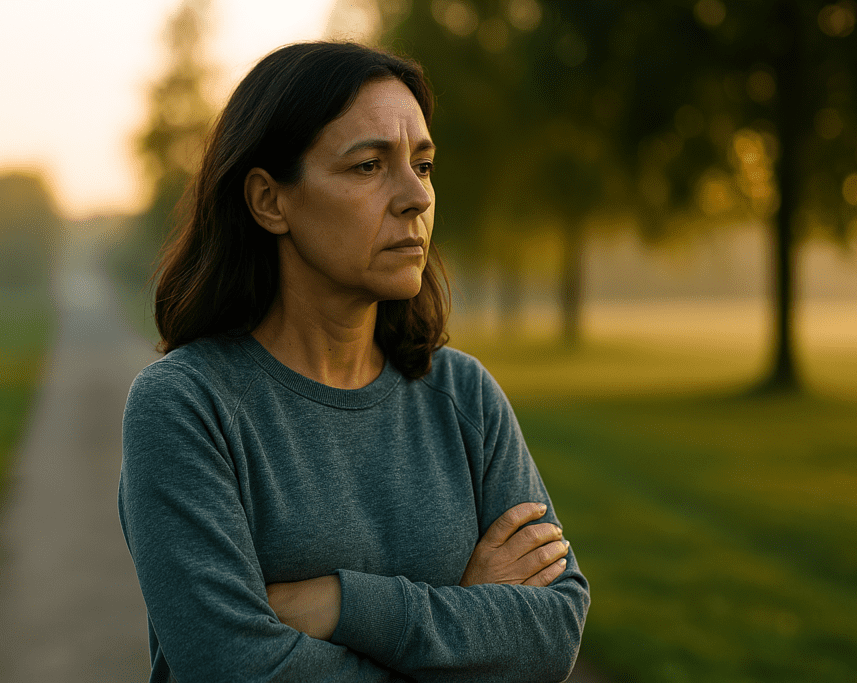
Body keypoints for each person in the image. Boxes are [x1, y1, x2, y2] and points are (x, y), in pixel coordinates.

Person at [119, 41, 589, 682]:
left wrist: (341, 604)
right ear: (270, 202)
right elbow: (233, 667)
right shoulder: (187, 406)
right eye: (369, 166)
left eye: (423, 166)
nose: (415, 199)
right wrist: (469, 620)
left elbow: (553, 634)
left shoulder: (465, 396)